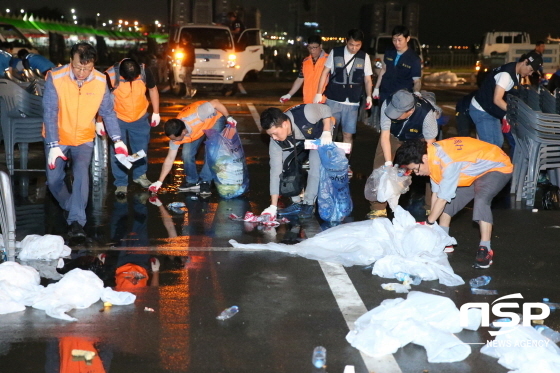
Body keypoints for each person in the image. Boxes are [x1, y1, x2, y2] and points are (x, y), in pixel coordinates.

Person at [43, 42, 127, 239]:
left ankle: (76, 222)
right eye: (78, 67)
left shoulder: (100, 80)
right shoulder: (55, 77)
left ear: (93, 64)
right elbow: (50, 111)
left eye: (87, 68)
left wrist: (118, 140)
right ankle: (72, 206)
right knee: (53, 180)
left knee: (81, 174)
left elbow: (107, 111)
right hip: (58, 136)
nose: (82, 72)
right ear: (71, 60)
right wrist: (54, 144)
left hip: (83, 136)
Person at [394, 137, 513, 269]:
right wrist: (433, 226)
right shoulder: (432, 158)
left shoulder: (447, 162)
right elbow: (437, 194)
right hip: (473, 170)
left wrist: (429, 223)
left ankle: (485, 249)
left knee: (481, 199)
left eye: (416, 169)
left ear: (424, 158)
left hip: (497, 167)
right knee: (446, 203)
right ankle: (444, 240)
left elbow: (443, 197)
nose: (417, 173)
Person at [367, 89, 439, 218]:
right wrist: (388, 164)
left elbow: (431, 146)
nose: (393, 116)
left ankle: (431, 207)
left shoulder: (427, 114)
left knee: (430, 167)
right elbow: (384, 136)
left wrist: (425, 162)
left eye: (398, 114)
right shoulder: (388, 104)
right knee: (381, 163)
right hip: (393, 135)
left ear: (410, 111)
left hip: (419, 139)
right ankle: (378, 208)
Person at [259, 105, 334, 219]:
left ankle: (309, 203)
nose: (274, 138)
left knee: (315, 166)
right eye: (270, 135)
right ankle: (296, 202)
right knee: (286, 166)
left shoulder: (307, 113)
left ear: (285, 124)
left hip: (318, 134)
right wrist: (273, 206)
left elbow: (326, 109)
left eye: (275, 133)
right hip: (297, 139)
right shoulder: (275, 141)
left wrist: (327, 131)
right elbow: (275, 171)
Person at [99, 58, 160, 197]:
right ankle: (121, 183)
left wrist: (156, 112)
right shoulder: (109, 75)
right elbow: (102, 99)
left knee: (141, 149)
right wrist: (99, 121)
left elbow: (153, 89)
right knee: (119, 153)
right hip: (117, 119)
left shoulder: (144, 70)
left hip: (140, 117)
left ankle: (140, 175)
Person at [148, 100, 236, 196]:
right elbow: (169, 159)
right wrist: (159, 182)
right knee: (186, 153)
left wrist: (228, 117)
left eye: (175, 139)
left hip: (214, 119)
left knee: (211, 151)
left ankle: (205, 181)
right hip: (197, 128)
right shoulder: (176, 133)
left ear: (183, 132)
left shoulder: (198, 114)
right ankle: (192, 181)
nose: (173, 141)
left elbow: (216, 102)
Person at [314, 29, 373, 151]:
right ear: (347, 41)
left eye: (358, 45)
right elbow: (325, 72)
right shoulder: (335, 53)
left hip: (352, 102)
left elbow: (367, 79)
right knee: (328, 132)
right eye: (351, 44)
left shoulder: (364, 57)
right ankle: (327, 161)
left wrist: (369, 96)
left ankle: (345, 163)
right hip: (333, 99)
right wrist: (319, 93)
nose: (354, 48)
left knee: (348, 134)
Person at [469, 51, 542, 148]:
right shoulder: (506, 75)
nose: (530, 73)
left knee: (497, 142)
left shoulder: (516, 71)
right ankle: (477, 161)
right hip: (482, 110)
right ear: (525, 62)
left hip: (490, 110)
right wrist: (513, 112)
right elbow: (497, 99)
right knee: (491, 146)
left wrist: (505, 115)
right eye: (530, 70)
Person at [373, 25, 422, 105]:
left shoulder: (414, 59)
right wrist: (376, 88)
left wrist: (416, 91)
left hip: (402, 97)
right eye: (394, 40)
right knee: (383, 116)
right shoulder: (389, 52)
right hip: (385, 93)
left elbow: (417, 80)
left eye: (399, 40)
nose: (396, 43)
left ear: (407, 39)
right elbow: (383, 70)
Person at [280, 35, 329, 104]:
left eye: (315, 48)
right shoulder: (306, 61)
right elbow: (300, 79)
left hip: (324, 100)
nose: (312, 50)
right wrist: (289, 94)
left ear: (320, 46)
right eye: (310, 48)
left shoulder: (329, 60)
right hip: (308, 101)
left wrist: (320, 94)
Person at [178, 33, 196, 99]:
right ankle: (190, 91)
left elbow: (186, 57)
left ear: (185, 39)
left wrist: (182, 64)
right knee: (186, 78)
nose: (182, 40)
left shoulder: (187, 47)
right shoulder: (191, 46)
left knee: (186, 79)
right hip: (190, 65)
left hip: (187, 65)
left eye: (183, 39)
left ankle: (189, 93)